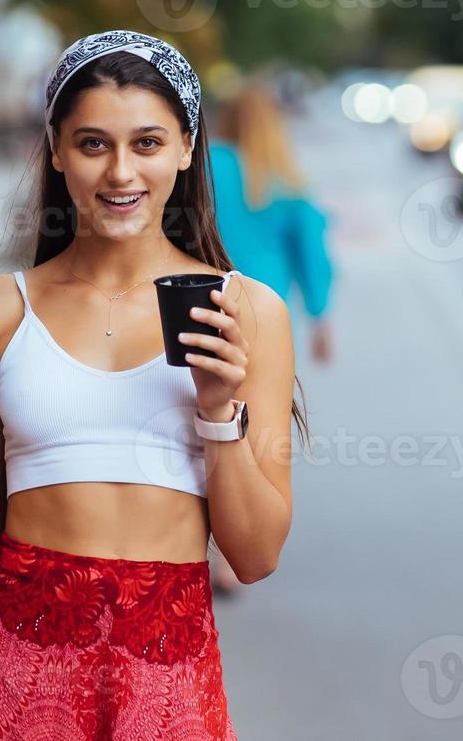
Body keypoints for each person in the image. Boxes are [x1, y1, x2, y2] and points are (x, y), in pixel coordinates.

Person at [0, 30, 308, 740]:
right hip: (7, 667)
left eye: (146, 143)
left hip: (165, 672)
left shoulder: (247, 312)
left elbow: (255, 555)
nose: (120, 173)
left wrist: (217, 410)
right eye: (93, 144)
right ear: (56, 150)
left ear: (185, 147)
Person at [204, 83, 334, 597]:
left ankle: (204, 547)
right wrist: (321, 318)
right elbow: (312, 252)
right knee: (254, 442)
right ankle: (234, 558)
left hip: (204, 306)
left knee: (205, 428)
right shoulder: (285, 179)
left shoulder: (206, 169)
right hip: (266, 318)